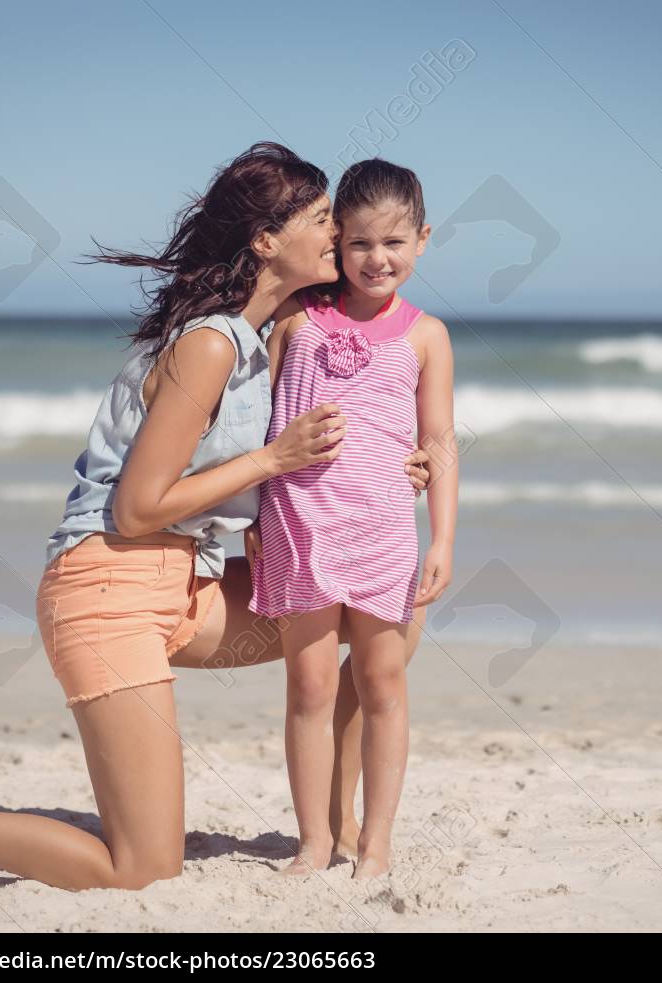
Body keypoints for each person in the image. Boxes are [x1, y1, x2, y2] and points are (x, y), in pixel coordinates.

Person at [0, 143, 432, 892]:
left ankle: (344, 831)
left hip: (184, 587)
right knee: (143, 867)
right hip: (106, 592)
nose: (337, 232)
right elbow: (137, 506)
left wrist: (407, 467)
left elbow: (355, 404)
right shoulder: (211, 344)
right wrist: (272, 460)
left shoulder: (261, 337)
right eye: (322, 219)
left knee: (385, 605)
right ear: (266, 241)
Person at [247, 159, 458, 879]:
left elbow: (438, 441)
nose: (377, 259)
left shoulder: (427, 334)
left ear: (423, 239)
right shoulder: (298, 319)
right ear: (337, 239)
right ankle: (311, 841)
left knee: (383, 684)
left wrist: (444, 538)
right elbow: (254, 427)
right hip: (299, 524)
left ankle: (376, 843)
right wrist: (245, 514)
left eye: (394, 243)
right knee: (308, 688)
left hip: (384, 531)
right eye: (360, 243)